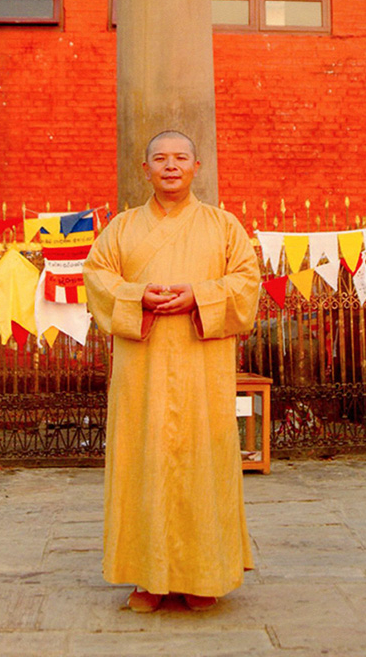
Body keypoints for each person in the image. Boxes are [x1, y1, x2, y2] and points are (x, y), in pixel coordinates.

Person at [83, 130, 261, 613]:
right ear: (146, 170)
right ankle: (147, 579)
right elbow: (97, 278)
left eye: (180, 157)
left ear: (196, 167)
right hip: (142, 368)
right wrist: (136, 296)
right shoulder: (121, 228)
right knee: (143, 462)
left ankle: (204, 577)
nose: (170, 166)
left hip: (203, 368)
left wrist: (200, 296)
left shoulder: (224, 226)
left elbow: (247, 283)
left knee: (202, 462)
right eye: (160, 158)